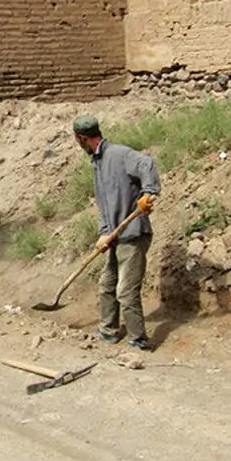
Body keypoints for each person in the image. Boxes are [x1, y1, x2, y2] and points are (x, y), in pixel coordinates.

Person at [72, 115, 160, 351]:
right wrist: (103, 233)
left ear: (82, 138)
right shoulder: (97, 163)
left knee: (126, 291)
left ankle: (139, 340)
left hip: (132, 235)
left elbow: (147, 164)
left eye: (77, 141)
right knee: (106, 285)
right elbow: (104, 205)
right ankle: (108, 331)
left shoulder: (119, 154)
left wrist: (148, 193)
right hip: (114, 237)